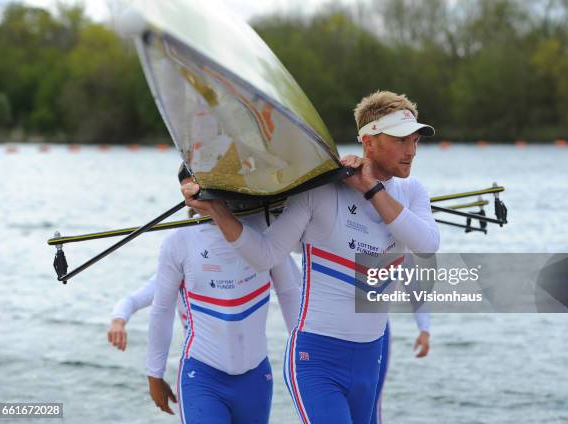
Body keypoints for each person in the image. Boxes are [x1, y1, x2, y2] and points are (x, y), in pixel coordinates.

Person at [182, 90, 439, 423]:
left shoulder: (413, 191)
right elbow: (265, 255)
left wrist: (372, 190)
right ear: (369, 141)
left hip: (370, 359)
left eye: (415, 141)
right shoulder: (321, 192)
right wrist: (216, 210)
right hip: (315, 360)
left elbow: (427, 244)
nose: (411, 151)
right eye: (401, 140)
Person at [148, 165, 302, 424]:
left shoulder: (263, 230)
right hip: (202, 376)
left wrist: (304, 355)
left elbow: (289, 292)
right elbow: (161, 309)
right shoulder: (178, 241)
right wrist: (154, 373)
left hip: (256, 378)